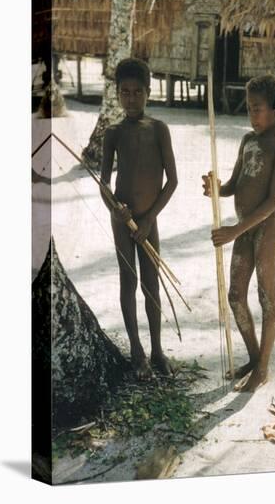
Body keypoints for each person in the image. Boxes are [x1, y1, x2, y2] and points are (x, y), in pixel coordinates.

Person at [202, 74, 275, 392]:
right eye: (249, 108)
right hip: (243, 230)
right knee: (235, 295)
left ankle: (263, 368)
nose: (252, 115)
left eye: (258, 109)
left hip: (265, 230)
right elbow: (233, 185)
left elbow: (272, 202)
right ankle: (254, 358)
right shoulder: (247, 141)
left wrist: (235, 230)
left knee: (266, 297)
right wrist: (216, 189)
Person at [100, 58, 178, 380]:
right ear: (118, 94)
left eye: (137, 92)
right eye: (125, 92)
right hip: (123, 221)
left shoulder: (159, 130)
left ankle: (158, 350)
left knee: (151, 286)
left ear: (149, 92)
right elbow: (104, 183)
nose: (131, 99)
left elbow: (172, 180)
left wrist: (149, 219)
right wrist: (115, 207)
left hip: (149, 221)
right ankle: (136, 350)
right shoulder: (113, 133)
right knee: (128, 281)